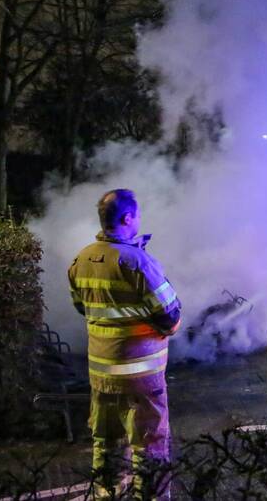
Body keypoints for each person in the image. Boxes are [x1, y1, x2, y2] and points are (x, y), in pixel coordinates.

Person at [68, 189, 182, 499]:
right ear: (128, 218)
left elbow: (82, 307)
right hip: (140, 378)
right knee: (149, 446)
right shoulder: (137, 261)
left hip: (101, 376)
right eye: (138, 215)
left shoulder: (81, 259)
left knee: (106, 445)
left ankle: (105, 495)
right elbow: (170, 315)